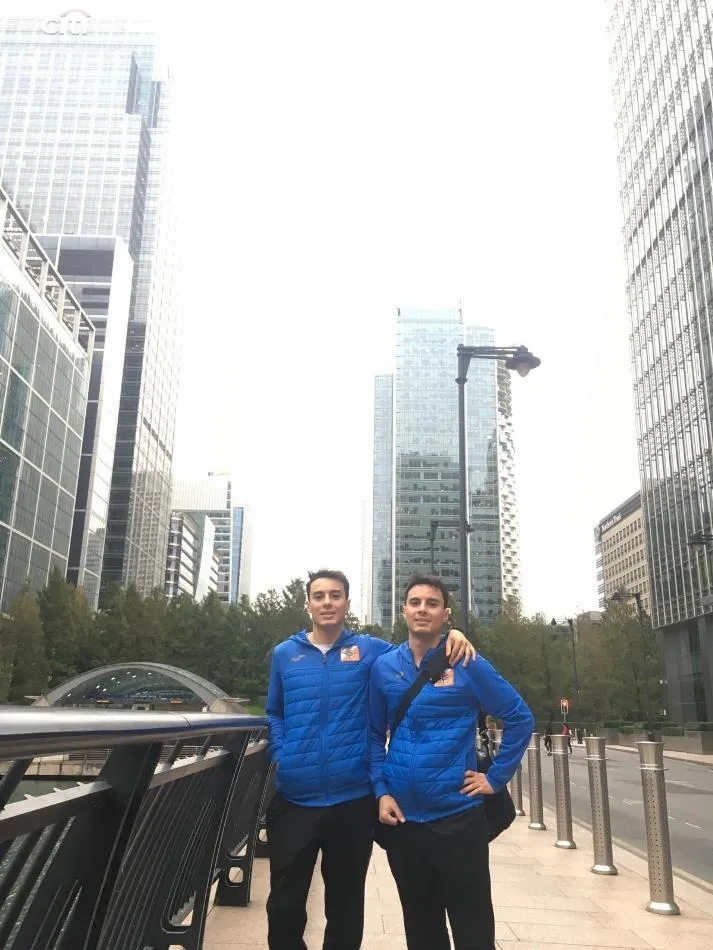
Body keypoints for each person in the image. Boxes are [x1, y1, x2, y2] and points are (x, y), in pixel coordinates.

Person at [265, 568, 475, 950]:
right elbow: (274, 712)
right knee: (284, 906)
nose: (327, 603)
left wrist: (453, 636)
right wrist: (282, 755)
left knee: (345, 906)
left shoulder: (371, 651)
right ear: (308, 604)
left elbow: (419, 644)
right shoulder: (285, 654)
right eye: (319, 596)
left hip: (353, 800)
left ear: (347, 603)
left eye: (335, 595)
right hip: (295, 797)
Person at [369, 573, 534, 950]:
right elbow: (374, 735)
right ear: (403, 610)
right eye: (415, 602)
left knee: (472, 926)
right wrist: (381, 791)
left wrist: (495, 778)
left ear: (445, 614)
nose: (422, 609)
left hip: (457, 817)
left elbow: (520, 717)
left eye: (432, 603)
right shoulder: (384, 666)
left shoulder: (467, 662)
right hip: (404, 820)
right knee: (420, 926)